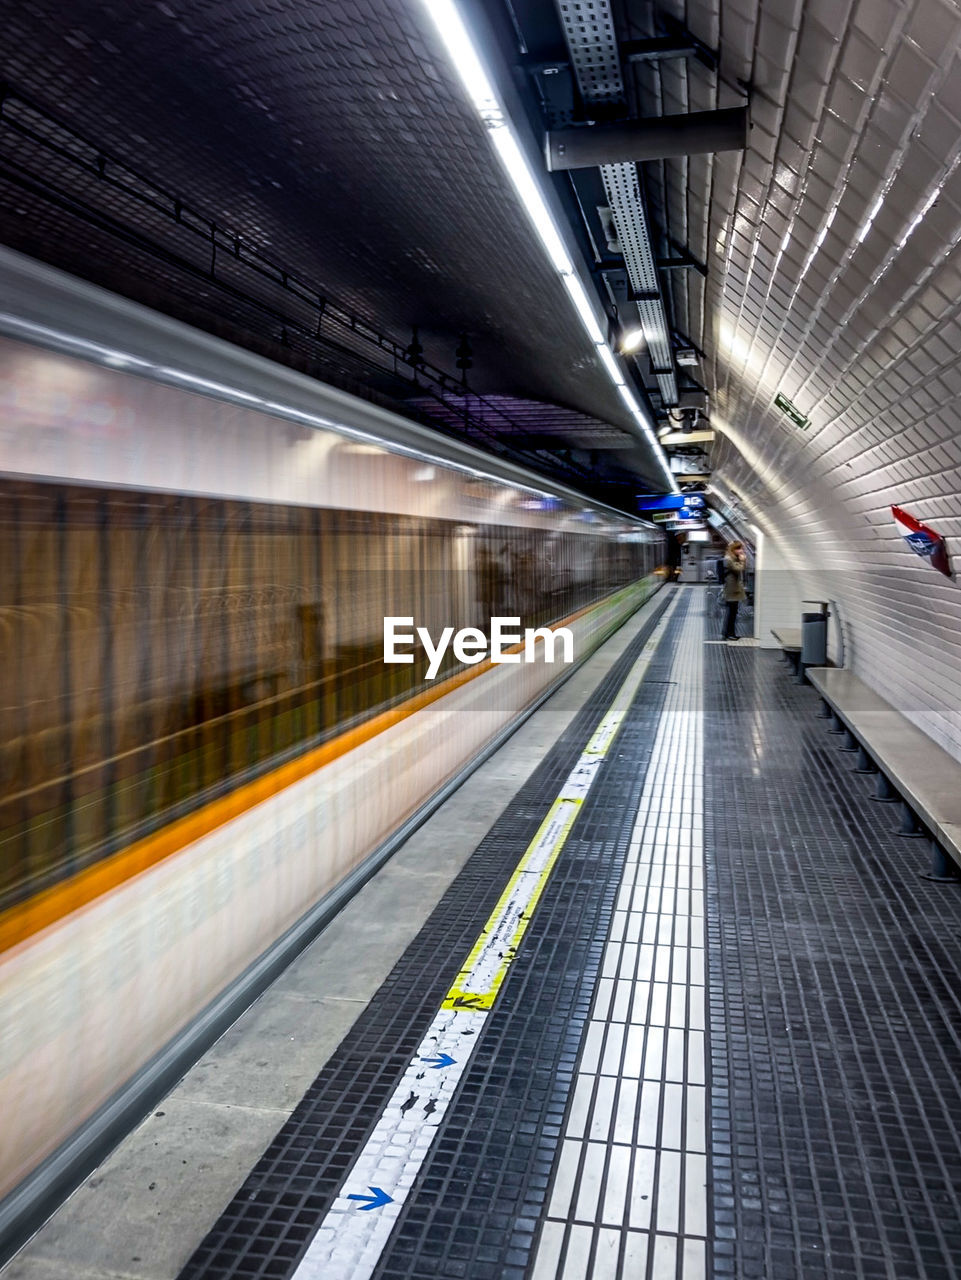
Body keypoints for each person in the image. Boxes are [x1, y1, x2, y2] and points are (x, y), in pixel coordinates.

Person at [722, 541, 747, 639]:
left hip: (734, 589)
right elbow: (738, 569)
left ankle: (728, 632)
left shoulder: (732, 558)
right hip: (731, 590)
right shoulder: (729, 559)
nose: (741, 550)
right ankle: (729, 634)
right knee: (731, 613)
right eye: (738, 548)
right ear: (733, 549)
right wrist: (743, 560)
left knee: (732, 612)